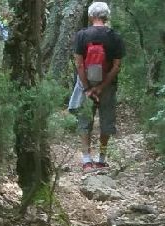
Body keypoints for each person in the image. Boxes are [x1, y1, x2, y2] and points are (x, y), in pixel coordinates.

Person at [72, 2, 123, 171]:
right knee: (106, 121)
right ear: (106, 16)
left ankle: (87, 161)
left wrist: (87, 88)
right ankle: (101, 159)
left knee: (84, 121)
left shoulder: (81, 35)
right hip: (107, 85)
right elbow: (116, 66)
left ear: (90, 16)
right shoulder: (115, 36)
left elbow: (79, 65)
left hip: (85, 83)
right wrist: (101, 87)